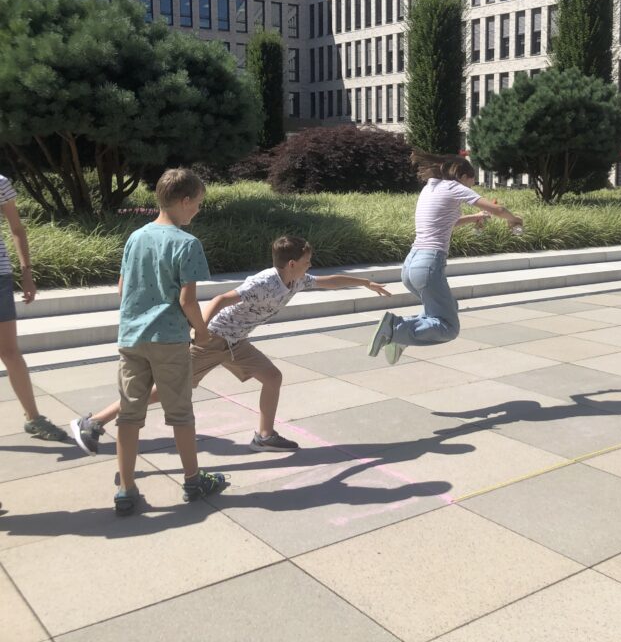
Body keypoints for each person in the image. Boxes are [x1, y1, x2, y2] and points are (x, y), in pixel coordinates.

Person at [70, 235, 390, 456]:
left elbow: (325, 281)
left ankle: (264, 437)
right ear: (291, 263)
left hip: (237, 342)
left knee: (272, 377)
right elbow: (221, 298)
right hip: (214, 339)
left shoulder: (297, 279)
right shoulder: (265, 281)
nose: (311, 264)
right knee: (164, 391)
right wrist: (201, 330)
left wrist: (364, 282)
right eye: (307, 260)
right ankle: (94, 422)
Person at [111, 168, 226, 515]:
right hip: (169, 338)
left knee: (129, 414)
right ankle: (193, 481)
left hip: (131, 336)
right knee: (180, 413)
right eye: (198, 205)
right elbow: (187, 301)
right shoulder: (188, 244)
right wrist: (203, 332)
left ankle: (126, 489)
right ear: (184, 200)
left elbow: (122, 288)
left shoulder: (136, 237)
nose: (197, 211)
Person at [367, 151, 523, 366]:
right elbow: (498, 209)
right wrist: (514, 219)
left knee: (447, 307)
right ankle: (397, 330)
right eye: (472, 182)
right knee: (448, 327)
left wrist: (475, 218)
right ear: (463, 176)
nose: (471, 187)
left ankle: (400, 336)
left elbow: (447, 221)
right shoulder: (454, 187)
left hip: (411, 266)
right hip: (429, 265)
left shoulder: (431, 188)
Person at [0, 175, 68, 442]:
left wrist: (27, 273)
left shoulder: (2, 182)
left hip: (0, 277)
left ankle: (33, 418)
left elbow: (17, 228)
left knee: (9, 352)